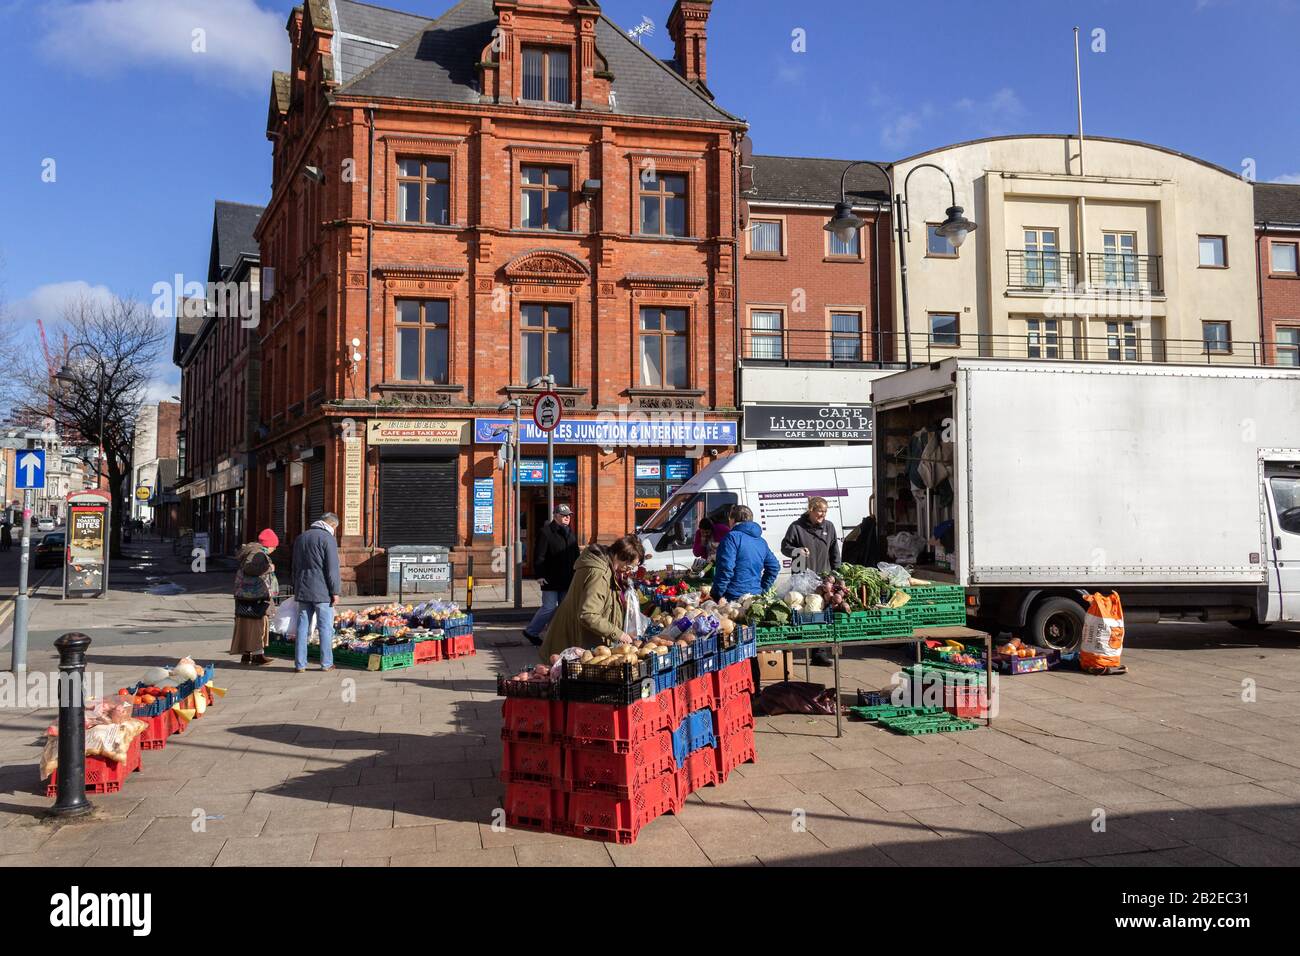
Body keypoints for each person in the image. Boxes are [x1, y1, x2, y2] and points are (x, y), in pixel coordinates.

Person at [540, 534, 643, 661]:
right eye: (629, 566)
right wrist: (618, 634)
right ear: (620, 556)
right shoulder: (599, 574)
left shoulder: (608, 568)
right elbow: (589, 614)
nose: (629, 570)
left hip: (579, 639)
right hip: (572, 642)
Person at [782, 497, 840, 666]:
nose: (822, 515)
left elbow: (834, 551)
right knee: (803, 612)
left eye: (825, 511)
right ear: (810, 510)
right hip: (802, 578)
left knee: (819, 613)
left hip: (823, 578)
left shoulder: (829, 527)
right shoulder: (796, 527)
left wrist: (837, 573)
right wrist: (796, 550)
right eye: (819, 511)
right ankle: (796, 649)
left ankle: (819, 653)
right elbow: (785, 547)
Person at [522, 503, 579, 646]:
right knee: (549, 607)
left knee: (564, 609)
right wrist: (540, 575)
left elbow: (576, 554)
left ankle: (555, 635)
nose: (567, 518)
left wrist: (578, 572)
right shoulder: (546, 532)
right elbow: (539, 556)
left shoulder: (570, 532)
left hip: (567, 578)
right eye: (564, 515)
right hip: (550, 578)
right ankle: (531, 631)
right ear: (556, 516)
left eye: (569, 515)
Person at [292, 512, 342, 673]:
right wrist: (335, 591)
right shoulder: (328, 539)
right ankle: (326, 663)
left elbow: (294, 566)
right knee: (325, 627)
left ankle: (300, 664)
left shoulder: (301, 537)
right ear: (332, 525)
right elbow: (332, 569)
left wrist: (296, 586)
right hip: (322, 590)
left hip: (303, 588)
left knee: (302, 626)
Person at [229, 528, 280, 666]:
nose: (274, 549)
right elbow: (250, 568)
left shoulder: (251, 551)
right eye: (274, 546)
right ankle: (257, 655)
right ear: (269, 545)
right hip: (255, 595)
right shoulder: (258, 553)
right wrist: (269, 568)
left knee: (245, 624)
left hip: (245, 594)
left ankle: (247, 655)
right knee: (257, 624)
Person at [711, 505, 780, 601]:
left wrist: (716, 594)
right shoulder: (761, 541)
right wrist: (762, 589)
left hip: (733, 598)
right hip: (754, 598)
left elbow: (726, 568)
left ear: (732, 519)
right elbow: (774, 567)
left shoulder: (732, 537)